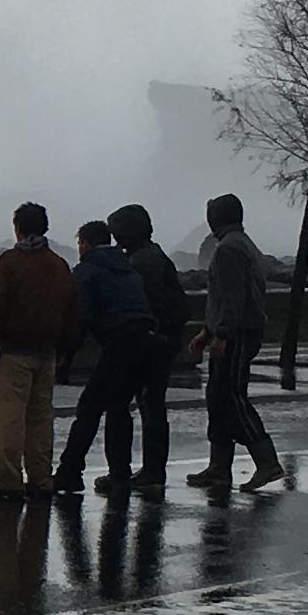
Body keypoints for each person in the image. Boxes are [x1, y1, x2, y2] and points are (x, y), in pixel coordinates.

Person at [0, 203, 77, 495]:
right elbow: (71, 311)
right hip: (48, 352)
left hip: (15, 351)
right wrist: (64, 351)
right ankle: (40, 478)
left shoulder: (9, 263)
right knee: (41, 418)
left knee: (10, 417)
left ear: (17, 228)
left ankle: (8, 480)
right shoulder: (58, 265)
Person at [52, 219, 164, 497]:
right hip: (148, 341)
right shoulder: (127, 268)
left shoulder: (87, 270)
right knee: (118, 407)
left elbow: (81, 317)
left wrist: (65, 356)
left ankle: (70, 472)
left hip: (120, 343)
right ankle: (119, 475)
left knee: (89, 407)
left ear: (85, 244)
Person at [192, 190, 288, 491]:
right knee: (217, 397)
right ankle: (218, 467)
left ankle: (267, 462)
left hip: (237, 334)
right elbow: (227, 297)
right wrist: (208, 331)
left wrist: (221, 334)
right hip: (239, 330)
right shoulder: (242, 243)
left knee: (231, 397)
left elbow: (233, 297)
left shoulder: (228, 249)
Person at [111, 202, 189, 490]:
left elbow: (147, 303)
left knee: (149, 404)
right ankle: (152, 470)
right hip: (162, 340)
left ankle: (151, 471)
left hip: (153, 343)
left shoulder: (143, 262)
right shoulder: (152, 257)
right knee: (151, 405)